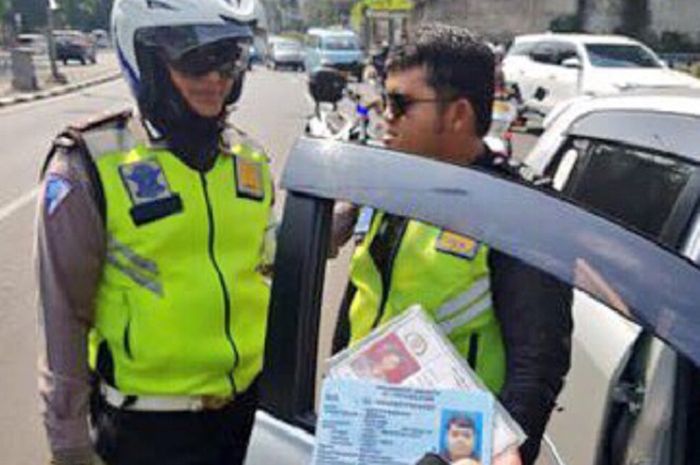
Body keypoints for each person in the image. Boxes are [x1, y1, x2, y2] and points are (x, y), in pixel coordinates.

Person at [36, 0, 275, 464]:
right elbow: (62, 314)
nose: (215, 79)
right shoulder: (90, 165)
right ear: (144, 58)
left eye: (228, 58)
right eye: (195, 59)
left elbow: (269, 257)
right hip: (147, 432)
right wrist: (69, 446)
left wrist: (340, 217)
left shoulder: (249, 160)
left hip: (247, 421)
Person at [332, 23, 573, 465]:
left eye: (401, 103)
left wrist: (507, 451)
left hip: (453, 451)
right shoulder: (390, 189)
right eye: (384, 100)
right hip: (367, 435)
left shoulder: (517, 211)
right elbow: (360, 309)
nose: (386, 115)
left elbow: (537, 361)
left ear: (459, 114)